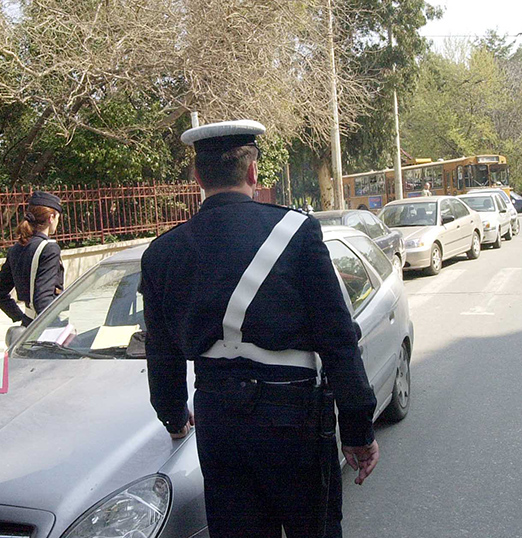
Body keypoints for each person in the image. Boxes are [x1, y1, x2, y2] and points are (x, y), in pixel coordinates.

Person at [140, 120, 379, 538]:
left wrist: (175, 417)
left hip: (217, 420)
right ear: (252, 172)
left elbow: (161, 354)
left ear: (197, 177)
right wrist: (357, 429)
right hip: (295, 418)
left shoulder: (162, 252)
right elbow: (338, 338)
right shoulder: (297, 232)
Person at [0, 191, 64, 327]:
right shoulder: (49, 248)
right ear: (51, 217)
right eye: (58, 217)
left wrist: (19, 317)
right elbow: (43, 298)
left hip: (28, 323)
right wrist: (57, 328)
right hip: (45, 325)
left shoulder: (16, 248)